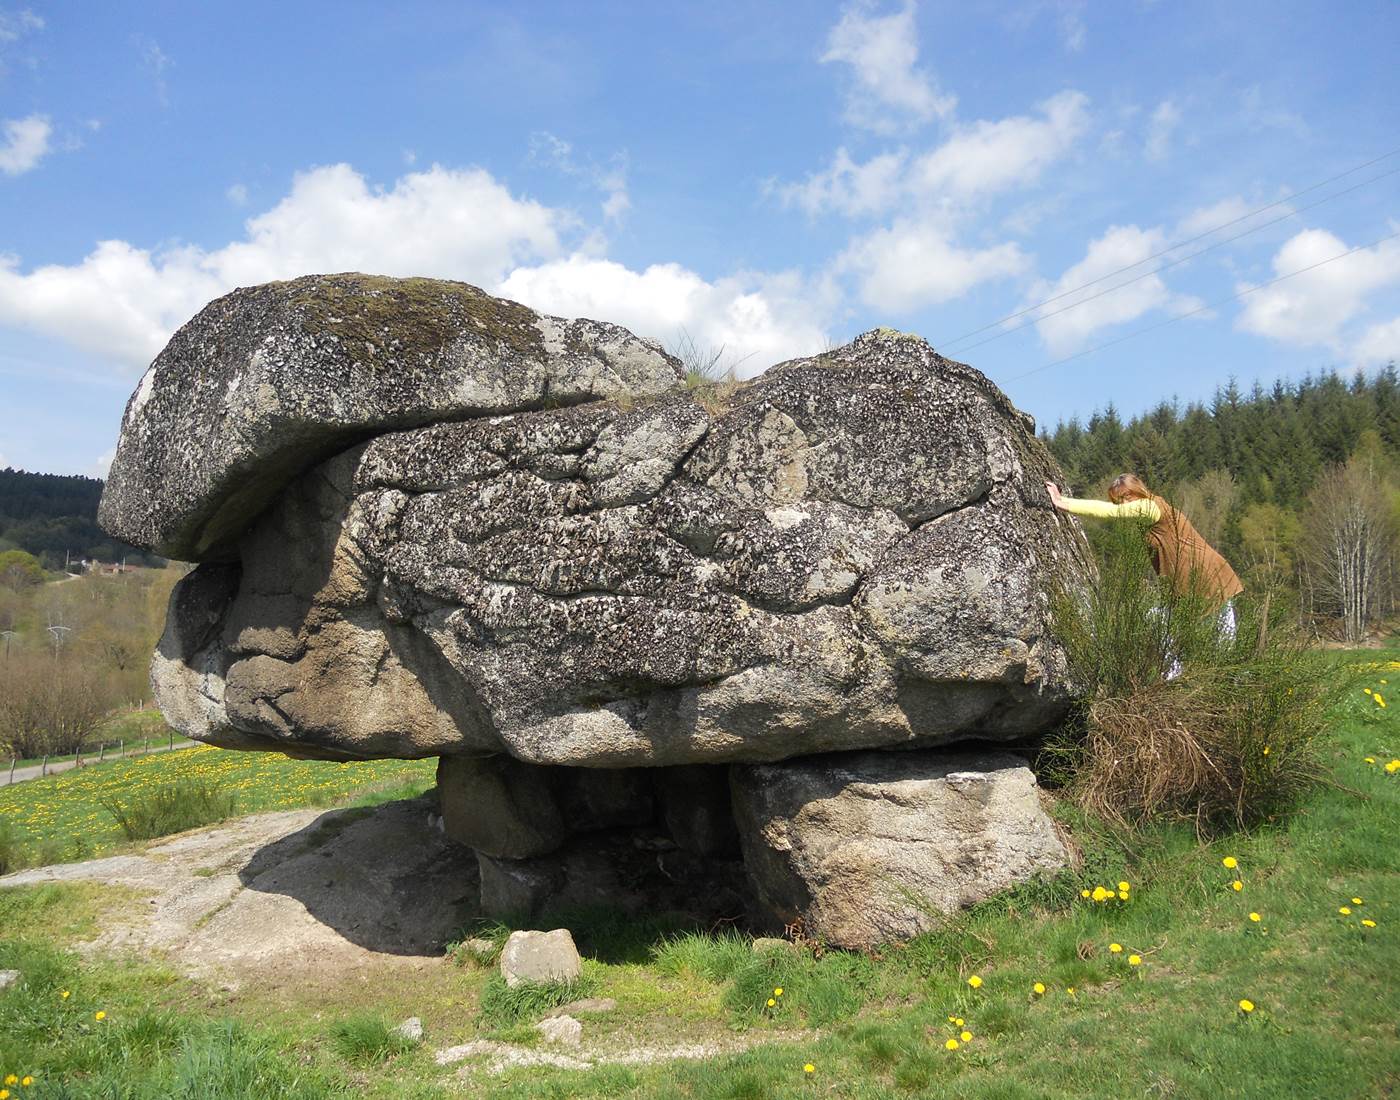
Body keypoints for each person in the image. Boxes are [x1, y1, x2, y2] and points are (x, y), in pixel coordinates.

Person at [1045, 472, 1243, 651]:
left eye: (1126, 497)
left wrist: (1062, 503)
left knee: (1212, 638)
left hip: (1202, 576)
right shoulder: (1153, 508)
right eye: (1118, 500)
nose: (1124, 504)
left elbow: (1110, 512)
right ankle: (1183, 672)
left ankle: (1179, 674)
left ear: (1138, 491)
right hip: (1204, 575)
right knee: (1212, 636)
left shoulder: (1149, 507)